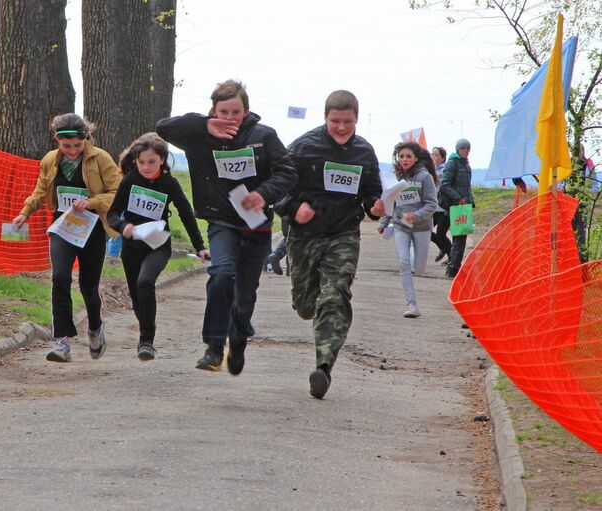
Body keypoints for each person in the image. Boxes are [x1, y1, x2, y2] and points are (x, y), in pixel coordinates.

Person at [156, 79, 297, 374]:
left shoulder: (264, 135)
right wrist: (204, 125)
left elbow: (287, 172)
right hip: (221, 219)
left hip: (256, 224)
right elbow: (163, 127)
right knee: (221, 274)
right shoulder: (198, 135)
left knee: (245, 294)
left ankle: (239, 338)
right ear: (213, 110)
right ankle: (214, 347)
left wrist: (263, 194)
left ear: (246, 111)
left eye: (236, 112)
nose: (230, 118)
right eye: (223, 112)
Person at [275, 90, 385, 399]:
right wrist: (294, 207)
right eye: (335, 121)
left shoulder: (364, 152)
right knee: (306, 304)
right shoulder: (303, 148)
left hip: (343, 234)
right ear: (325, 118)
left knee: (335, 294)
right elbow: (275, 188)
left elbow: (371, 193)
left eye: (347, 121)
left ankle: (323, 366)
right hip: (305, 236)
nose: (341, 127)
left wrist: (375, 206)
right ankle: (307, 304)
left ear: (357, 119)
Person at [13, 113, 121, 362]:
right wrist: (24, 213)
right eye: (66, 146)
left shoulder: (101, 158)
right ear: (57, 141)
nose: (72, 151)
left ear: (85, 139)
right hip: (62, 226)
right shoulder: (51, 160)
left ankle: (95, 327)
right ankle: (62, 340)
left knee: (87, 286)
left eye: (77, 145)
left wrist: (92, 201)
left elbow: (118, 192)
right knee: (60, 277)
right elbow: (40, 191)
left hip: (92, 228)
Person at [107, 133, 209, 360]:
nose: (146, 167)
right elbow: (112, 213)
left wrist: (200, 246)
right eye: (141, 162)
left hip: (158, 245)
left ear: (162, 160)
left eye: (151, 162)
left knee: (145, 282)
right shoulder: (130, 180)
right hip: (132, 246)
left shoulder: (169, 184)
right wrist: (123, 226)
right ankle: (146, 330)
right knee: (137, 297)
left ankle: (146, 341)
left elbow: (186, 214)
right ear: (135, 161)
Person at [378, 142, 438, 318]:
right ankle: (412, 304)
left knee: (418, 268)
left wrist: (416, 215)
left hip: (421, 227)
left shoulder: (424, 177)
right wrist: (383, 223)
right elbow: (390, 202)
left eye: (408, 156)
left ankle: (413, 254)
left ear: (416, 158)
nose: (404, 160)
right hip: (400, 225)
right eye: (401, 156)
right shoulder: (394, 177)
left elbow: (432, 204)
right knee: (403, 263)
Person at [439, 138, 474, 279]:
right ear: (458, 149)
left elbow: (467, 186)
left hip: (464, 205)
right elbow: (445, 184)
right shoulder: (452, 163)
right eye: (463, 148)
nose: (466, 150)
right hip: (456, 206)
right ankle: (453, 268)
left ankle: (455, 266)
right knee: (458, 238)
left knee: (460, 238)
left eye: (468, 148)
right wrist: (458, 198)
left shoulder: (466, 165)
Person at [430, 146, 451, 263]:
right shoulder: (428, 170)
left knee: (441, 234)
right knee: (425, 231)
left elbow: (445, 185)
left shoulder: (446, 170)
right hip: (432, 207)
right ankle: (444, 248)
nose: (433, 157)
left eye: (436, 155)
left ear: (442, 158)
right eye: (432, 154)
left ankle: (452, 256)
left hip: (443, 208)